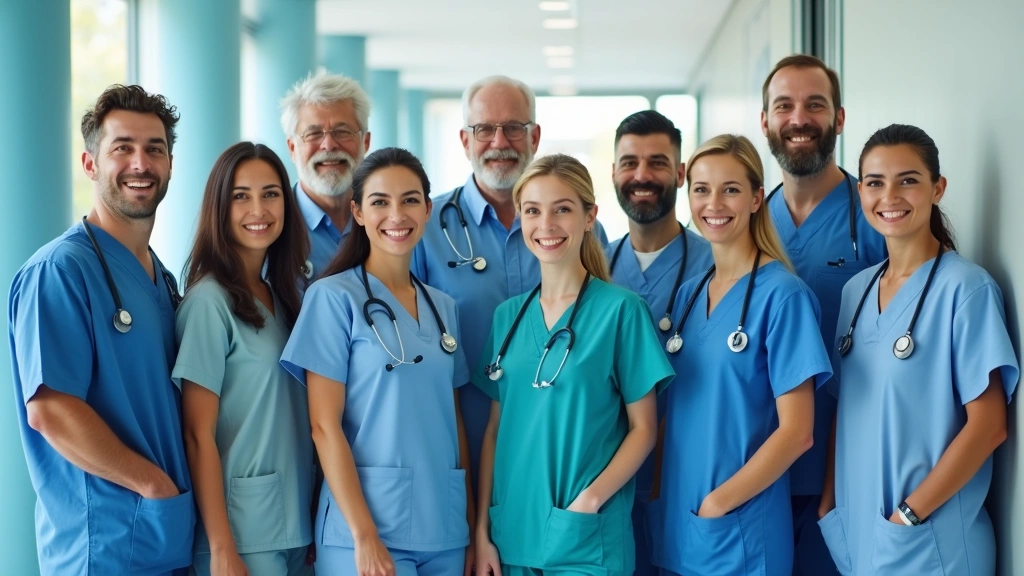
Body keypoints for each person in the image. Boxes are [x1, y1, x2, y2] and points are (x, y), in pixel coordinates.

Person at [8, 85, 193, 575]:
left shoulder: (162, 278)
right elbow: (50, 409)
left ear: (171, 164)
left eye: (155, 149)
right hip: (104, 544)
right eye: (122, 148)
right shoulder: (60, 270)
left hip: (162, 535)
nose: (140, 162)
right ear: (90, 164)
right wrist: (152, 485)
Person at [818, 124, 1018, 575]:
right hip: (862, 536)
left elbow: (988, 427)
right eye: (874, 182)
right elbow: (844, 408)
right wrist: (830, 505)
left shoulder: (965, 289)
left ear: (937, 188)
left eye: (908, 180)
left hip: (930, 540)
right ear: (860, 191)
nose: (890, 196)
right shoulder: (856, 292)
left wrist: (909, 514)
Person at [474, 154, 672, 576]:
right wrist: (481, 531)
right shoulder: (507, 318)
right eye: (532, 211)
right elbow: (494, 432)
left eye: (562, 209)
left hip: (587, 536)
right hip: (512, 533)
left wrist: (591, 500)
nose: (545, 225)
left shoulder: (621, 311)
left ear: (589, 217)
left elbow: (644, 429)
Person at [281, 147, 473, 576]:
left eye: (409, 200)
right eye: (380, 202)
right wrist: (363, 535)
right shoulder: (333, 299)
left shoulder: (443, 308)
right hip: (366, 532)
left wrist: (468, 526)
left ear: (427, 209)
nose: (396, 215)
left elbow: (453, 420)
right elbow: (323, 426)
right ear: (358, 213)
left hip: (444, 527)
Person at [413, 76, 608, 493]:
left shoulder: (577, 228)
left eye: (514, 128)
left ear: (534, 136)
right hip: (457, 447)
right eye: (484, 129)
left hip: (561, 456)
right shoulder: (425, 230)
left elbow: (604, 330)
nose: (499, 141)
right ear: (465, 140)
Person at [650, 135, 830, 576]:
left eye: (730, 189)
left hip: (739, 529)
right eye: (700, 189)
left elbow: (797, 433)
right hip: (680, 522)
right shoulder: (690, 297)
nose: (714, 203)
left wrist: (718, 504)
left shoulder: (783, 296)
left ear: (755, 198)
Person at [759, 54, 887, 575]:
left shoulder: (876, 217)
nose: (798, 118)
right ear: (764, 120)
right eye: (783, 105)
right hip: (759, 463)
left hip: (846, 466)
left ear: (839, 118)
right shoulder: (746, 220)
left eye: (815, 104)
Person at [173, 142, 314, 575]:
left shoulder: (286, 297)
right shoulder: (208, 303)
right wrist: (220, 547)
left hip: (294, 525)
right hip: (240, 536)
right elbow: (198, 435)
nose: (259, 208)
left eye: (271, 193)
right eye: (241, 196)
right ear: (220, 207)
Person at [604, 110, 714, 576]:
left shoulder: (717, 264)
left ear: (681, 172)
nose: (642, 176)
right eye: (629, 163)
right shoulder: (594, 267)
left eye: (657, 162)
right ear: (612, 173)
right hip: (608, 478)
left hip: (690, 478)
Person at [280, 71, 372, 280]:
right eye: (313, 134)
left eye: (343, 131)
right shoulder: (273, 226)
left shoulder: (385, 219)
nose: (329, 145)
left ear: (365, 142)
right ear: (293, 148)